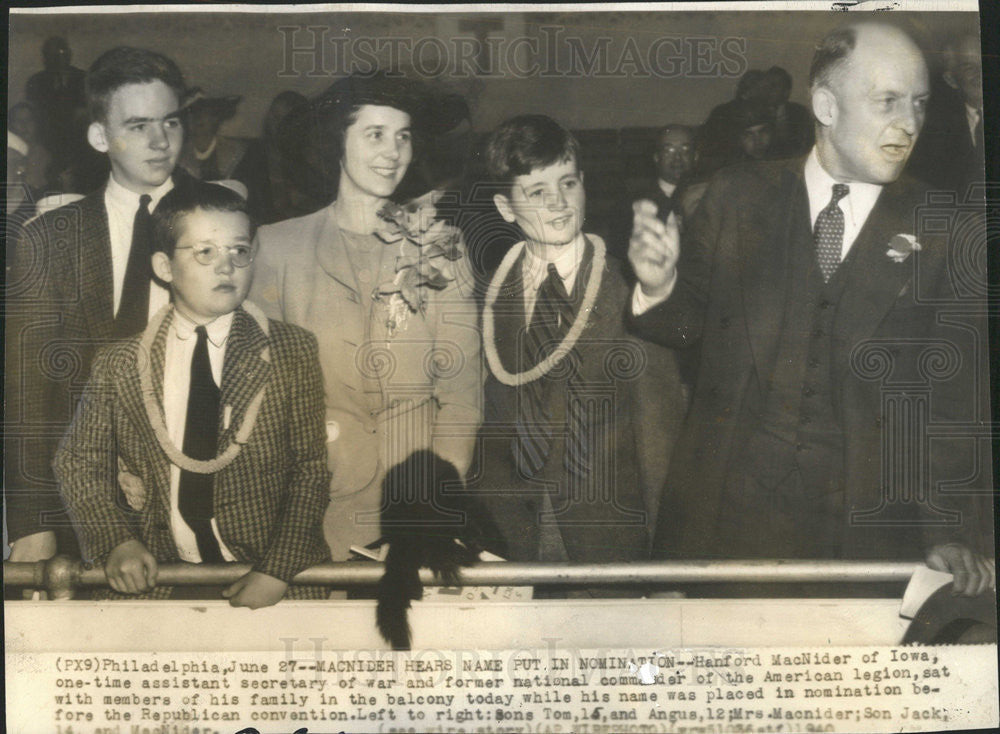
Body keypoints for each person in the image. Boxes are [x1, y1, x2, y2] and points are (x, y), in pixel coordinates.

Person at [628, 21, 993, 597]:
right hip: (727, 519)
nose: (909, 124)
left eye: (920, 104)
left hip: (867, 530)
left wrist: (947, 527)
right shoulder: (736, 195)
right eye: (887, 102)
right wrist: (659, 283)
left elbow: (953, 401)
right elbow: (683, 325)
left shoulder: (947, 226)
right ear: (825, 104)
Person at [55, 181, 330, 604]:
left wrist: (278, 569)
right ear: (164, 267)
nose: (227, 267)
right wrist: (117, 542)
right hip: (160, 577)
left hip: (270, 576)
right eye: (205, 252)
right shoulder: (121, 363)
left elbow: (310, 469)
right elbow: (77, 463)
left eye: (239, 251)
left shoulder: (290, 350)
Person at [249, 72, 482, 562]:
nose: (392, 151)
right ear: (338, 142)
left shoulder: (442, 247)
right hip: (316, 501)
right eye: (374, 134)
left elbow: (461, 396)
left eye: (403, 136)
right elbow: (261, 394)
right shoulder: (277, 246)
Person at [471, 114, 686, 579]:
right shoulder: (486, 294)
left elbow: (661, 438)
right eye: (537, 192)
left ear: (585, 184)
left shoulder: (631, 291)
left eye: (568, 183)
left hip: (608, 539)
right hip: (508, 540)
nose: (559, 203)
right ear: (505, 208)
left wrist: (671, 565)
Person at [5, 46, 189, 566]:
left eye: (170, 122)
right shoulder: (48, 238)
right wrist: (33, 522)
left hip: (201, 503)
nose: (159, 141)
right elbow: (27, 393)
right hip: (76, 507)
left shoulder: (222, 222)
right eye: (137, 125)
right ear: (99, 136)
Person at [907, 32, 985, 196]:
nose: (981, 72)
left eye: (986, 61)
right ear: (951, 80)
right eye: (969, 67)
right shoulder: (933, 135)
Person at [233, 90, 313, 225]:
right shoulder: (255, 153)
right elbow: (239, 195)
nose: (274, 124)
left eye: (282, 119)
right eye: (273, 116)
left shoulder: (310, 158)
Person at [177, 88, 248, 182]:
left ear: (216, 117)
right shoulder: (178, 157)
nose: (198, 118)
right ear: (184, 120)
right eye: (191, 112)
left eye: (204, 112)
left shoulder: (238, 152)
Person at [761, 66, 815, 159]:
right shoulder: (756, 113)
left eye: (774, 86)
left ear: (786, 91)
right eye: (766, 86)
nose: (768, 90)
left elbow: (806, 144)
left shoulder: (799, 113)